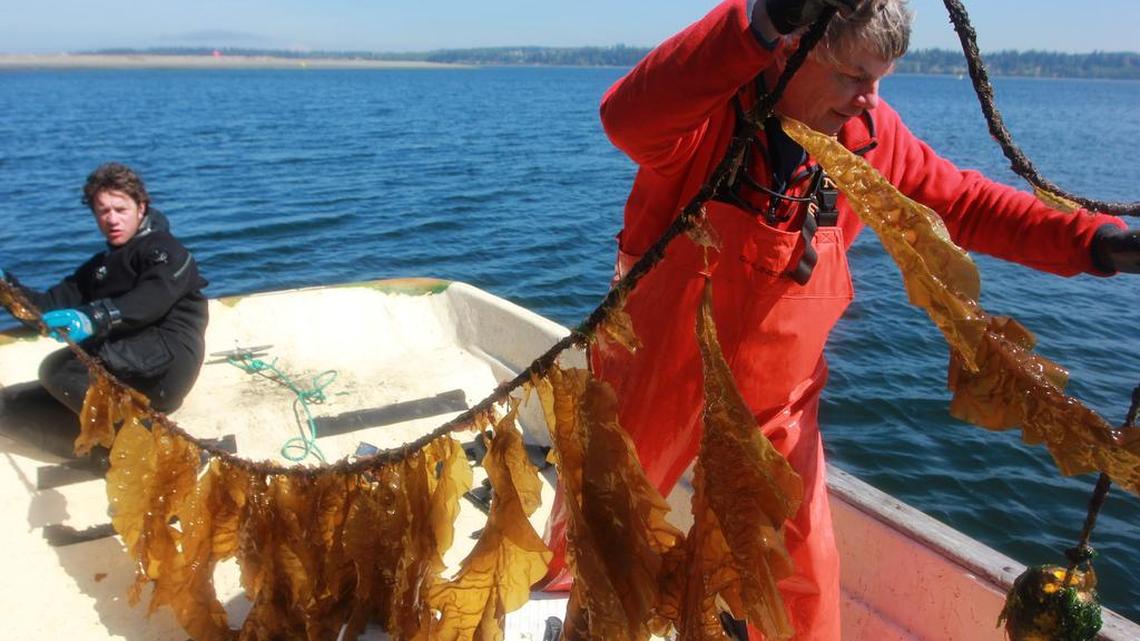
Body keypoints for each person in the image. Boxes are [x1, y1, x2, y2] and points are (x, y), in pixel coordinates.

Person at [540, 1, 1140, 640]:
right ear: (788, 50)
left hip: (779, 398)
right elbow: (627, 118)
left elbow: (964, 204)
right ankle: (555, 593)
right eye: (854, 76)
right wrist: (762, 16)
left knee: (804, 574)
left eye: (879, 79)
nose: (869, 98)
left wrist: (1099, 244)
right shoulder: (707, 114)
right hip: (654, 367)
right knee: (604, 534)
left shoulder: (867, 137)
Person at [0, 162, 209, 417]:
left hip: (167, 365)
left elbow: (151, 299)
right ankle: (106, 434)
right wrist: (6, 288)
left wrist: (95, 317)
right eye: (103, 211)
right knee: (18, 404)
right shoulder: (100, 267)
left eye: (120, 209)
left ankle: (144, 437)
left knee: (59, 369)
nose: (112, 219)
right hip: (125, 360)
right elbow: (46, 308)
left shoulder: (165, 250)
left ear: (141, 207)